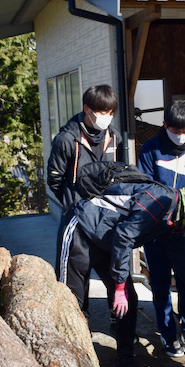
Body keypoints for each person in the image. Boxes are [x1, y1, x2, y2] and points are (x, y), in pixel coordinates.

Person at [57, 161, 185, 367]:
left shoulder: (176, 220)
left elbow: (182, 265)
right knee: (70, 300)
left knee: (128, 300)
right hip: (82, 231)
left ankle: (125, 359)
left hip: (110, 243)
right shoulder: (160, 200)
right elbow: (124, 236)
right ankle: (68, 362)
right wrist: (119, 286)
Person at [138, 100, 185, 358]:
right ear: (165, 125)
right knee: (160, 283)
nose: (181, 136)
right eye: (175, 131)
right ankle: (169, 334)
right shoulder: (150, 149)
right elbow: (145, 190)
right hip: (157, 230)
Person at [46, 85, 125, 315]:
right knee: (72, 283)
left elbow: (121, 174)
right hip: (76, 220)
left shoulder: (114, 137)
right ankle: (77, 323)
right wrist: (72, 204)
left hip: (106, 220)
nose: (106, 118)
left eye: (111, 113)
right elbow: (54, 180)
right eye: (102, 112)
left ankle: (117, 319)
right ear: (87, 109)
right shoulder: (67, 139)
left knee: (116, 277)